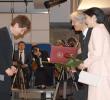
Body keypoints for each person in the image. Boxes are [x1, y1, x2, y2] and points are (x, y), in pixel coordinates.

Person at [81, 7, 110, 100]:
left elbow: (97, 53)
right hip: (99, 72)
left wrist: (84, 64)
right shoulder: (102, 29)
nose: (85, 21)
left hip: (99, 73)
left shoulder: (97, 30)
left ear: (93, 17)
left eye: (86, 18)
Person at [0, 15, 31, 100]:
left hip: (4, 79)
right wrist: (6, 68)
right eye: (22, 30)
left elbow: (4, 55)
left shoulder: (10, 36)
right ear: (16, 25)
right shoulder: (2, 33)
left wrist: (10, 66)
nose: (22, 33)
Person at [70, 11, 92, 100]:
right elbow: (82, 51)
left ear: (81, 21)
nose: (72, 24)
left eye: (74, 21)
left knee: (91, 93)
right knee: (86, 91)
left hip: (93, 70)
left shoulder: (92, 32)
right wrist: (71, 61)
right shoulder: (81, 35)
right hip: (85, 70)